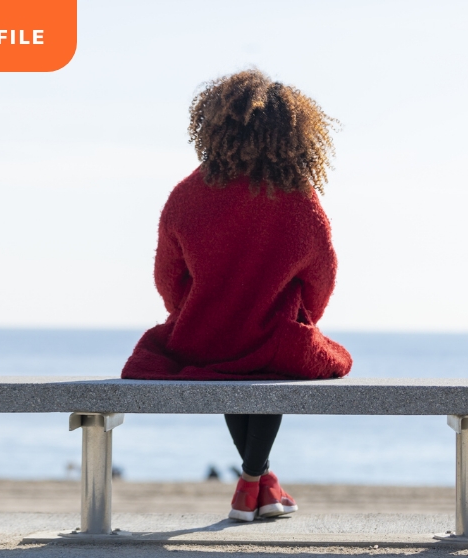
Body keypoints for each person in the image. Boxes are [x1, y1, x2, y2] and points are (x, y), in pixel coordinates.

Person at [122, 69, 352, 521]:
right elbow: (322, 277)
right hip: (272, 341)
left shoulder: (186, 196)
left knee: (227, 360)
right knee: (274, 364)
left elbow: (168, 280)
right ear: (291, 132)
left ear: (213, 126)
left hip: (205, 338)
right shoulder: (297, 196)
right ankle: (251, 482)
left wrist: (198, 312)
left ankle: (260, 486)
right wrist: (303, 315)